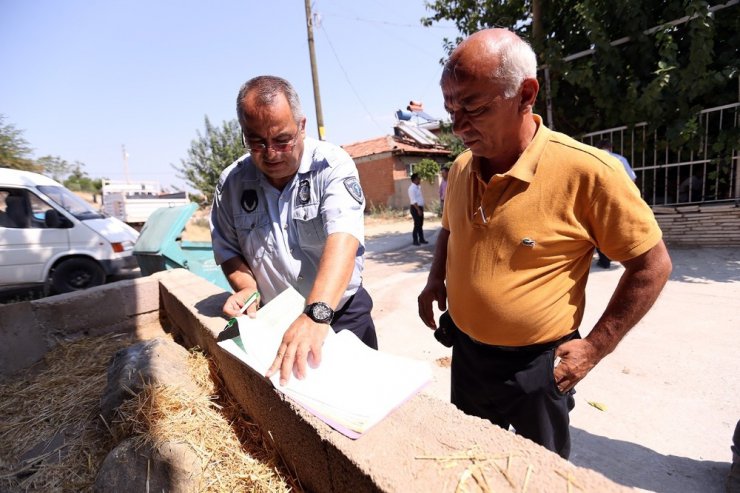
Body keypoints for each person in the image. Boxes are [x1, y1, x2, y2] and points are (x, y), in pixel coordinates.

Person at [417, 28, 672, 459]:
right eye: (451, 108)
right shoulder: (461, 169)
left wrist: (595, 347)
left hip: (539, 369)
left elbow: (653, 265)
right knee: (472, 462)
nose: (458, 126)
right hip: (467, 358)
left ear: (526, 93)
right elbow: (450, 229)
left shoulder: (586, 172)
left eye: (474, 108)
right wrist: (434, 278)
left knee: (542, 473)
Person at [211, 75, 377, 387]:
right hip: (277, 322)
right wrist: (246, 286)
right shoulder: (231, 184)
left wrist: (317, 315)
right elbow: (228, 250)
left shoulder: (331, 166)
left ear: (302, 126)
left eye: (282, 140)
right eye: (257, 142)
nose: (271, 153)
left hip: (340, 314)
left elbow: (343, 241)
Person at [595, 139, 637, 268]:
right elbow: (633, 178)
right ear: (610, 148)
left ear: (598, 147)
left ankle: (604, 260)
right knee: (619, 228)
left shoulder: (592, 158)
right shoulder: (621, 159)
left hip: (599, 200)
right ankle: (621, 256)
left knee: (599, 230)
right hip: (621, 198)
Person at [408, 173, 427, 245]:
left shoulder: (418, 187)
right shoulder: (411, 189)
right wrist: (418, 210)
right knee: (417, 224)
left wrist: (421, 208)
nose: (420, 180)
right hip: (415, 208)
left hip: (419, 208)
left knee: (420, 224)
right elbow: (413, 201)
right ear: (415, 179)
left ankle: (421, 239)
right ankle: (415, 240)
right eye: (418, 179)